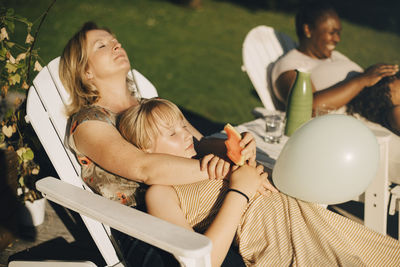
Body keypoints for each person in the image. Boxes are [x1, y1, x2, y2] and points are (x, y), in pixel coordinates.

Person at [59, 21, 258, 266]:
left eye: (115, 41)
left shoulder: (154, 106)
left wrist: (237, 148)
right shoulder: (90, 122)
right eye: (102, 45)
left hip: (196, 201)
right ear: (85, 71)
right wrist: (226, 172)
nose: (116, 45)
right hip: (144, 224)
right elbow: (144, 168)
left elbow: (201, 144)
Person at [118, 97, 400, 267]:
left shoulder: (206, 162)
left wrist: (247, 162)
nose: (185, 136)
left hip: (319, 225)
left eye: (183, 126)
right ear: (145, 149)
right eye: (172, 134)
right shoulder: (161, 192)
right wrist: (240, 189)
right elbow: (200, 261)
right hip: (287, 249)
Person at [271, 2, 399, 112]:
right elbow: (306, 109)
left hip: (377, 104)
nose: (337, 39)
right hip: (358, 116)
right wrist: (362, 80)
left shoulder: (335, 56)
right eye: (332, 33)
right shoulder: (290, 64)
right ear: (308, 30)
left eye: (338, 33)